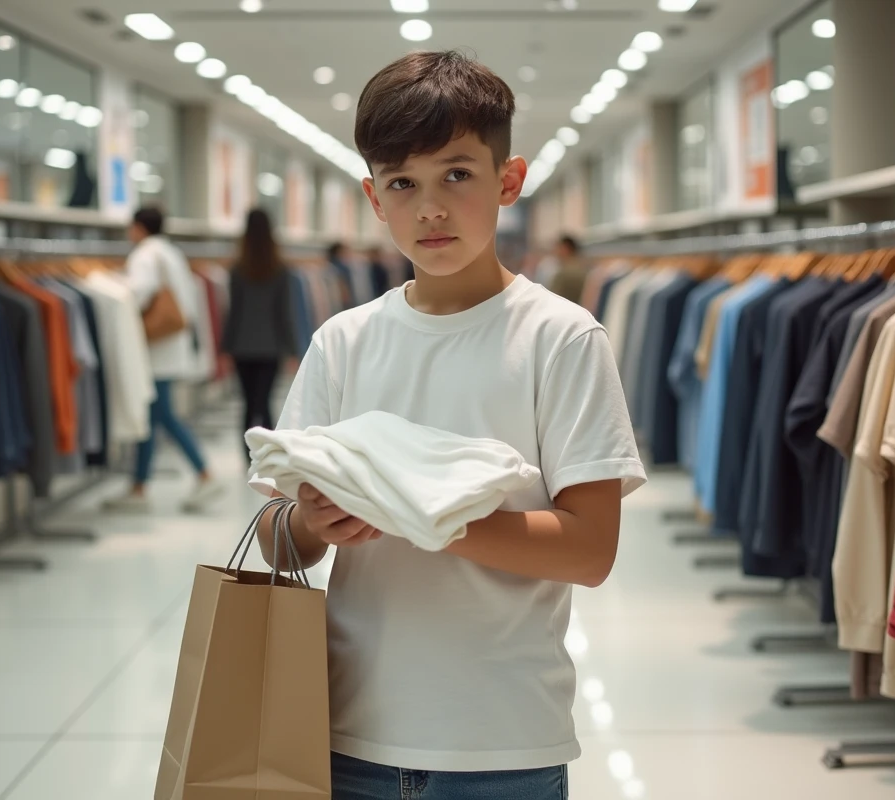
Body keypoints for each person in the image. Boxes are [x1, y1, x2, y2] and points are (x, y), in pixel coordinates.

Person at [253, 51, 645, 799]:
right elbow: (277, 535)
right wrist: (315, 520)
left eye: (456, 175)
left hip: (503, 743)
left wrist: (418, 512)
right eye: (404, 183)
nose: (430, 208)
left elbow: (591, 550)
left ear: (509, 180)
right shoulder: (344, 341)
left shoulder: (560, 338)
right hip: (345, 731)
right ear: (374, 197)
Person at [104, 206, 223, 513]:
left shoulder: (144, 255)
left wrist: (114, 285)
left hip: (154, 349)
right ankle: (139, 486)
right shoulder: (169, 253)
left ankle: (203, 473)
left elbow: (138, 294)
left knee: (162, 415)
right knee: (153, 416)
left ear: (138, 227)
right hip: (170, 347)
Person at [222, 208, 298, 462]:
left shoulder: (237, 269)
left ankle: (248, 456)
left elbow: (233, 313)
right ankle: (268, 455)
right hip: (270, 346)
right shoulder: (280, 270)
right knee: (264, 402)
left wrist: (225, 348)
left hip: (242, 347)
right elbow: (284, 313)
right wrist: (293, 349)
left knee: (247, 403)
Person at [548, 234, 587, 304]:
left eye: (557, 248)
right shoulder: (585, 268)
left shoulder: (563, 274)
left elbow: (552, 300)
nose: (555, 252)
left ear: (565, 249)